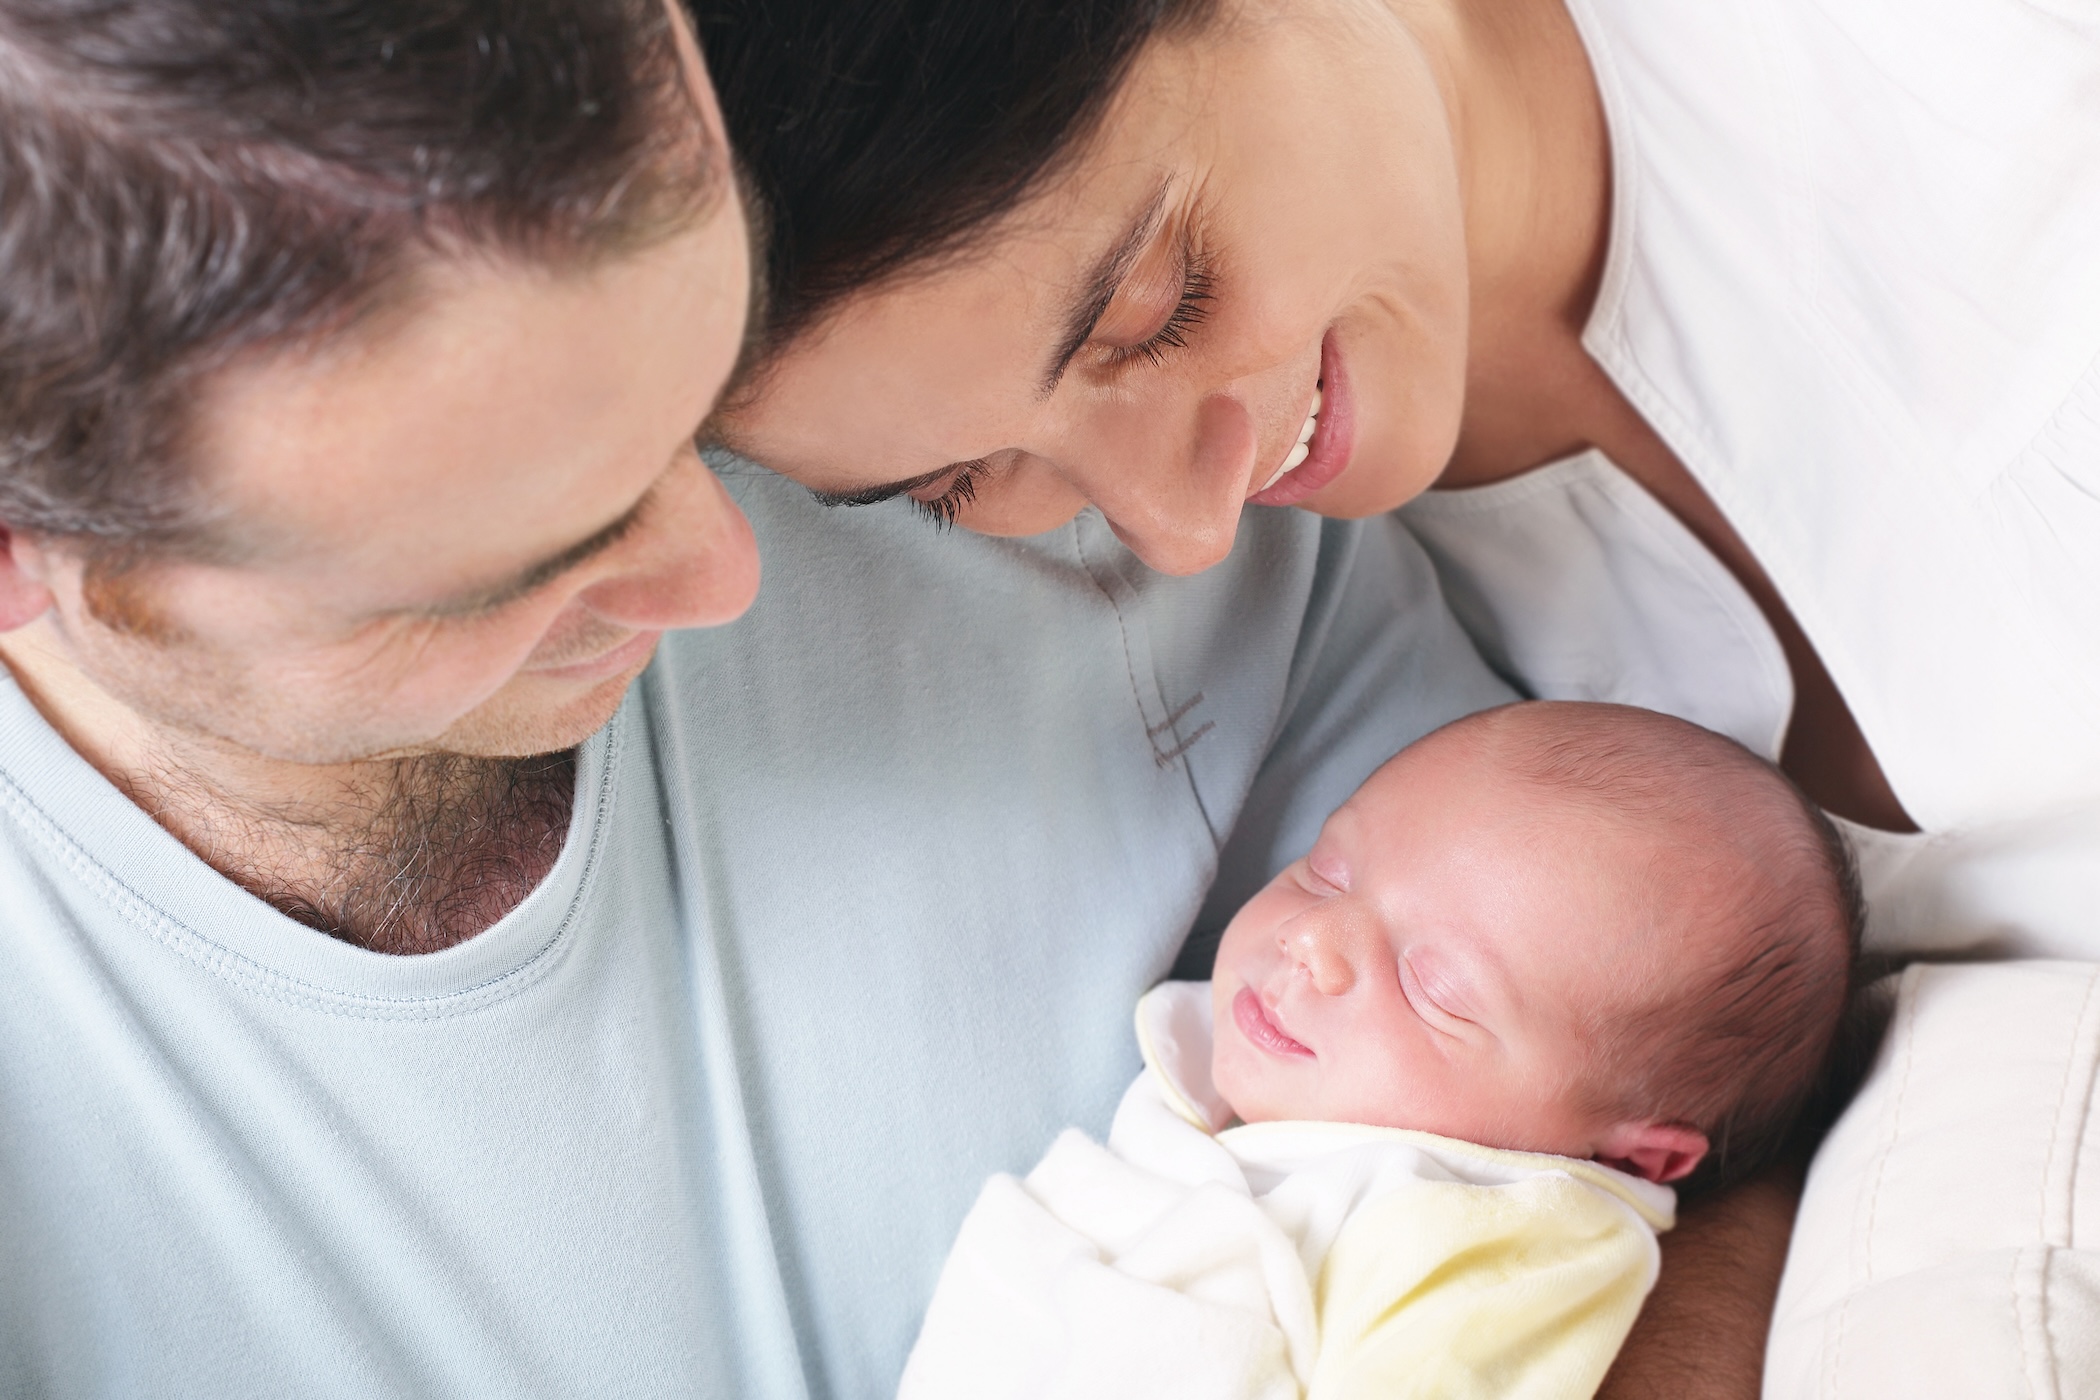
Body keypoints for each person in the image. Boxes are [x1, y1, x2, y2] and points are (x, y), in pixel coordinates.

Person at [0, 2, 1515, 1394]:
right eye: (526, 551)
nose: (727, 571)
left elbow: (1683, 1131)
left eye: (694, 409)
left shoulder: (971, 404)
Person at [694, 0, 2100, 1391]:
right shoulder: (1359, 619)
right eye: (962, 484)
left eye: (1157, 304)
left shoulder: (1961, 67)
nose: (1182, 527)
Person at [901, 702, 1861, 1399]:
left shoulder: (1496, 1246)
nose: (1312, 943)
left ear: (1628, 1156)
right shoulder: (1235, 1091)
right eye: (1326, 871)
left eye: (1434, 988)